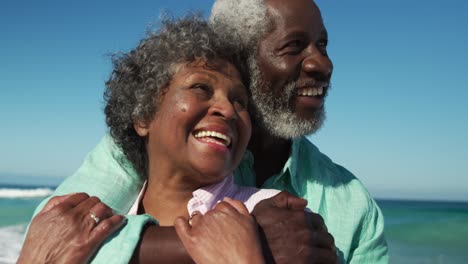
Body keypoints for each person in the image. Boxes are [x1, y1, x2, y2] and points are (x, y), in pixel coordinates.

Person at [31, 0, 389, 263]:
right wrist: (237, 242)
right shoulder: (142, 145)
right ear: (241, 57)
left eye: (323, 45)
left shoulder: (352, 203)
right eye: (293, 46)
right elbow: (53, 237)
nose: (321, 64)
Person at [21, 16, 293, 264]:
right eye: (200, 87)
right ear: (143, 117)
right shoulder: (80, 231)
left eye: (240, 101)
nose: (228, 109)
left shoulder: (275, 222)